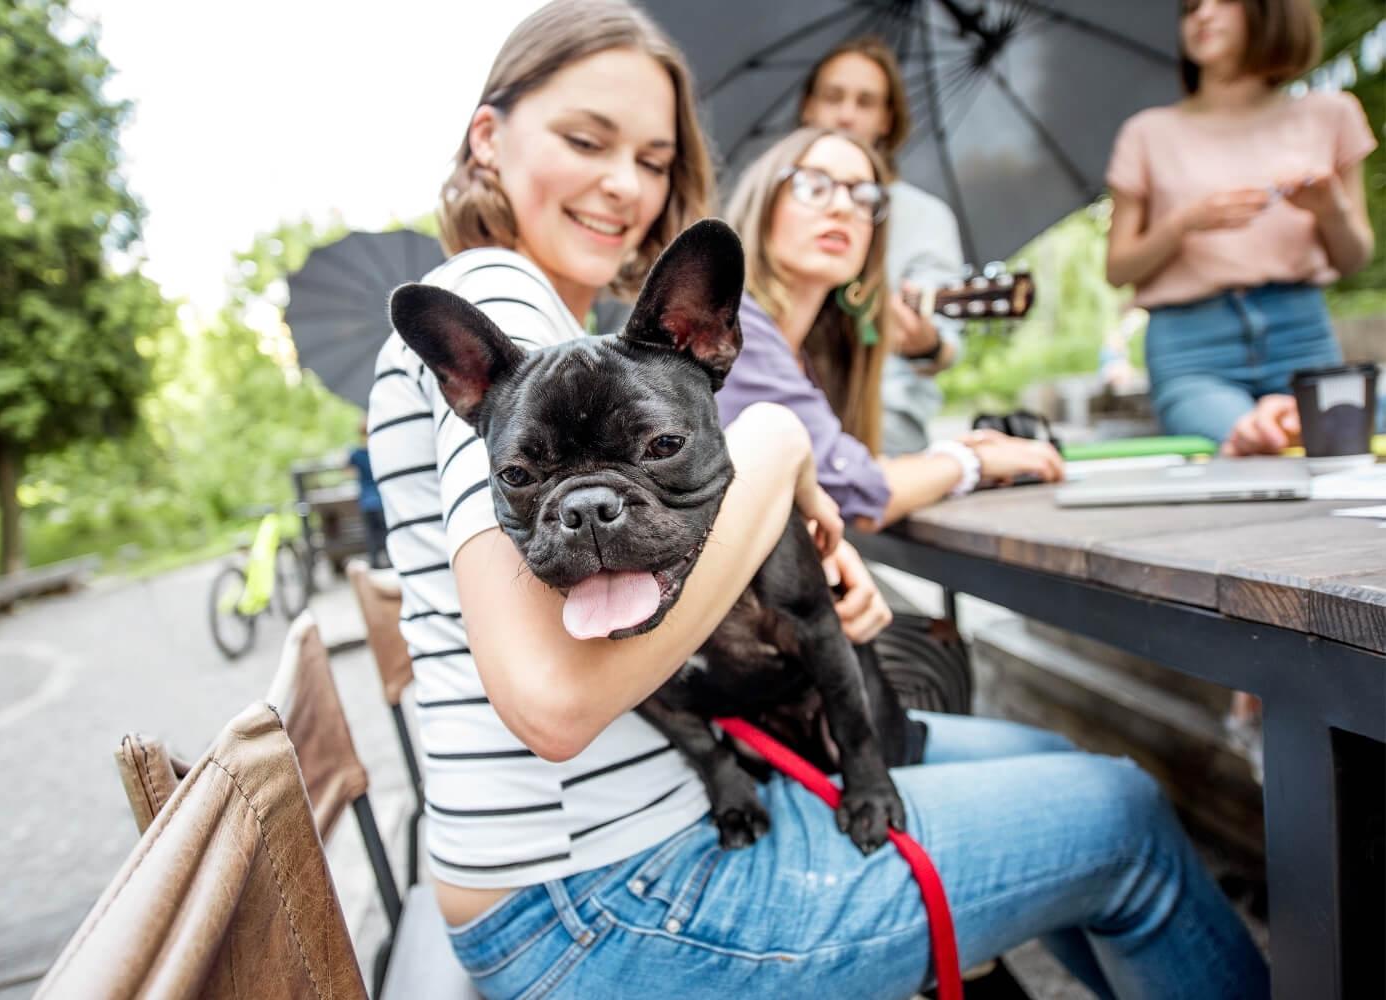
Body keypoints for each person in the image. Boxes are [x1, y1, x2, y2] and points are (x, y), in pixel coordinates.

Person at [369, 4, 1267, 997]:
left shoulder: (572, 331)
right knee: (1125, 813)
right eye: (586, 140)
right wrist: (778, 445)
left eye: (657, 160)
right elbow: (550, 701)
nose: (624, 183)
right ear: (488, 138)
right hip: (606, 899)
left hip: (638, 837)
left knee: (1047, 756)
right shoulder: (496, 296)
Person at [718, 126, 1065, 531]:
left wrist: (952, 455)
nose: (843, 208)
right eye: (814, 186)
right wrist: (971, 460)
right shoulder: (734, 326)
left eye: (863, 195)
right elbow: (850, 491)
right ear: (763, 204)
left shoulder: (806, 353)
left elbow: (841, 471)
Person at [1105, 0, 1375, 456]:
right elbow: (1117, 269)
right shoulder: (1147, 133)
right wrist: (1184, 224)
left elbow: (1354, 258)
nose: (1202, 16)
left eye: (1221, 2)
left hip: (1301, 330)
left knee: (1330, 457)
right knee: (1253, 444)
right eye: (1189, 8)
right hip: (1190, 345)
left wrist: (1330, 211)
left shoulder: (1331, 116)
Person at [796, 36, 966, 456]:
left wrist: (923, 341)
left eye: (865, 102)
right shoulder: (774, 208)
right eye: (833, 97)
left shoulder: (926, 218)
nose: (846, 114)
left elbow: (944, 347)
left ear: (888, 118)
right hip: (784, 413)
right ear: (809, 106)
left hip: (884, 428)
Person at [347, 419, 387, 568]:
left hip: (366, 499)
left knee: (371, 534)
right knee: (385, 532)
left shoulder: (356, 453)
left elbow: (347, 470)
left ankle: (375, 562)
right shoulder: (378, 449)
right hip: (381, 498)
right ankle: (389, 560)